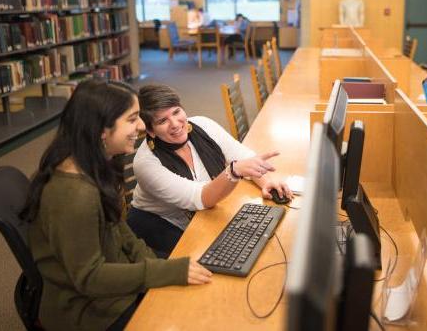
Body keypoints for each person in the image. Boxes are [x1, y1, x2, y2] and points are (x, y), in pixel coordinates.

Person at [21, 80, 212, 331]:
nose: (143, 126)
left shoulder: (94, 163)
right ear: (102, 130)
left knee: (204, 282)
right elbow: (89, 278)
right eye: (132, 119)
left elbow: (120, 230)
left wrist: (159, 266)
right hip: (92, 311)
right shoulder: (74, 196)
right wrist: (163, 273)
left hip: (119, 278)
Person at [128, 84, 293, 255]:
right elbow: (201, 198)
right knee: (217, 258)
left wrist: (266, 182)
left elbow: (243, 157)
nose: (175, 124)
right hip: (160, 224)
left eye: (176, 112)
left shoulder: (203, 125)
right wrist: (234, 171)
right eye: (162, 121)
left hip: (199, 213)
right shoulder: (146, 163)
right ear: (150, 131)